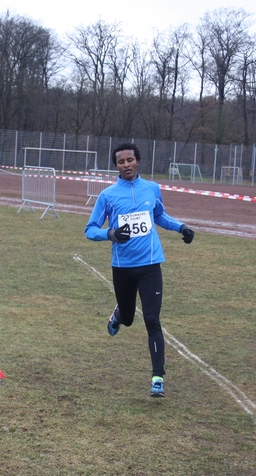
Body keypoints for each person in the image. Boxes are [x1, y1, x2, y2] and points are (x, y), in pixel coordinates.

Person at [85, 142, 195, 397]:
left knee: (152, 319)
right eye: (121, 162)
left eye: (130, 160)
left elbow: (159, 216)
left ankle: (158, 378)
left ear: (138, 161)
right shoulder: (108, 196)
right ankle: (119, 315)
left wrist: (181, 227)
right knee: (129, 318)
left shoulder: (152, 189)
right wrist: (110, 234)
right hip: (123, 267)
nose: (126, 165)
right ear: (116, 166)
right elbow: (90, 230)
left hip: (150, 265)